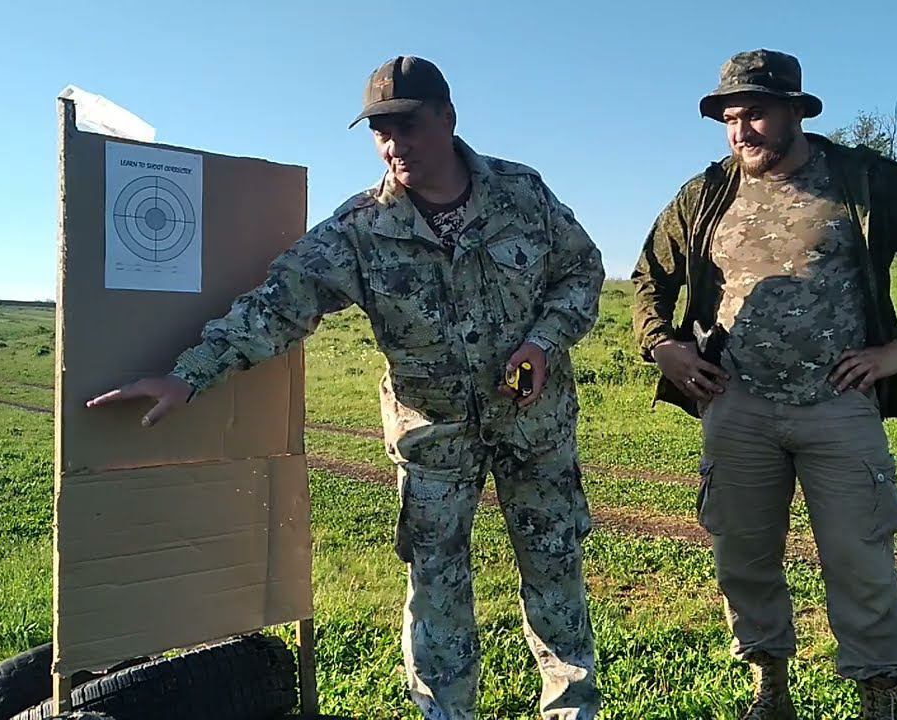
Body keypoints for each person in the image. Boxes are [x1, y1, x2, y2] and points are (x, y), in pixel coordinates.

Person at [89, 55, 604, 720]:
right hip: (434, 442)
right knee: (437, 591)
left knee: (555, 575)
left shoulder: (521, 193)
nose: (394, 145)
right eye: (380, 131)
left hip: (536, 429)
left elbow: (581, 271)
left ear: (448, 118)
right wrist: (190, 375)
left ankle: (571, 710)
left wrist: (543, 342)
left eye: (408, 126)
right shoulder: (361, 228)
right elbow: (277, 305)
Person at [630, 49, 897, 720]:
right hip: (735, 406)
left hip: (838, 406)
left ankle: (878, 698)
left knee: (860, 558)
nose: (741, 132)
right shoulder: (705, 193)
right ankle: (769, 690)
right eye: (729, 119)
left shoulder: (863, 179)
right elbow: (650, 276)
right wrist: (663, 345)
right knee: (743, 559)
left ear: (796, 111)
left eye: (756, 114)